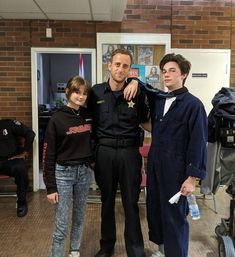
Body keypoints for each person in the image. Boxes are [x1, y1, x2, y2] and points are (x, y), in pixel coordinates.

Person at [125, 53, 207, 257]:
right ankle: (163, 251)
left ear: (184, 74)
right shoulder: (160, 100)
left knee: (175, 217)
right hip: (156, 166)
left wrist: (192, 178)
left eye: (172, 70)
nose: (167, 75)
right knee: (156, 211)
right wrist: (134, 80)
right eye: (164, 71)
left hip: (178, 171)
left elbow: (198, 143)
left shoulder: (193, 105)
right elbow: (147, 90)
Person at [89, 48, 149, 257]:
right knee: (106, 202)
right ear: (109, 65)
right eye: (117, 64)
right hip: (104, 152)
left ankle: (135, 250)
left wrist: (138, 83)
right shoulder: (95, 92)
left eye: (125, 66)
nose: (120, 69)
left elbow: (146, 119)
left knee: (130, 202)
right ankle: (106, 248)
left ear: (129, 69)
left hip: (129, 153)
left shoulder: (138, 93)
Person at [43, 76, 93, 257]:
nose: (80, 96)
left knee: (79, 217)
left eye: (84, 93)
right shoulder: (57, 118)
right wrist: (50, 187)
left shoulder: (88, 115)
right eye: (77, 92)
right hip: (63, 174)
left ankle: (74, 251)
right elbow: (48, 154)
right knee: (62, 221)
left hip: (84, 172)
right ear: (67, 92)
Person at [0, 119, 35, 217]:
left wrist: (25, 152)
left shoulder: (8, 123)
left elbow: (30, 134)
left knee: (20, 168)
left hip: (10, 160)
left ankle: (22, 202)